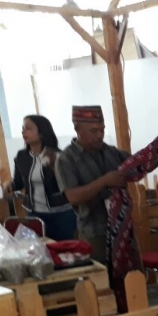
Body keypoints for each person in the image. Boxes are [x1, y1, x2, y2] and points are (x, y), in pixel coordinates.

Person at [55, 106, 129, 263]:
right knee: (102, 274)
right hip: (94, 232)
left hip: (122, 228)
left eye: (102, 130)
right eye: (94, 131)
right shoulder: (66, 159)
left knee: (131, 274)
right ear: (78, 130)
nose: (100, 135)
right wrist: (104, 181)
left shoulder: (111, 152)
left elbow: (137, 163)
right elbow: (73, 196)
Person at [11, 115, 77, 240]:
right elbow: (18, 184)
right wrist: (7, 185)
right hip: (34, 213)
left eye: (28, 128)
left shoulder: (57, 156)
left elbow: (70, 184)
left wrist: (55, 168)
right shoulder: (21, 156)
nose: (23, 132)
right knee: (39, 248)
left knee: (62, 248)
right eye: (23, 129)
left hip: (61, 214)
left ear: (42, 133)